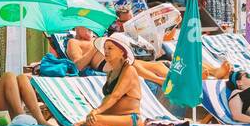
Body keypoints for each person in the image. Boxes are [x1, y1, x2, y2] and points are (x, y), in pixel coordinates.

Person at [65, 25, 230, 84]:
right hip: (106, 64)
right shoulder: (74, 42)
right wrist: (95, 47)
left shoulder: (97, 38)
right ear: (76, 27)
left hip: (122, 56)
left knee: (159, 64)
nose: (89, 28)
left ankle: (212, 72)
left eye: (90, 26)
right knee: (132, 65)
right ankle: (168, 81)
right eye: (84, 25)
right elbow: (77, 66)